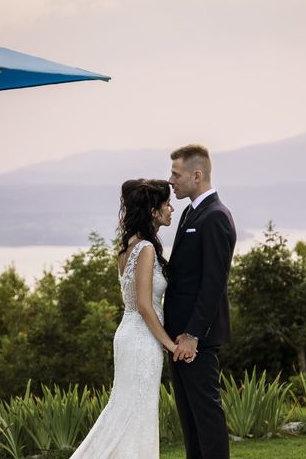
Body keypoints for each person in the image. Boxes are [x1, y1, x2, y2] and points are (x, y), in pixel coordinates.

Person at [70, 178, 181, 459]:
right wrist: (170, 344)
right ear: (153, 211)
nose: (171, 208)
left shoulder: (131, 245)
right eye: (166, 204)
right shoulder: (144, 249)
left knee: (127, 413)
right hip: (141, 340)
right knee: (135, 415)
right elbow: (145, 305)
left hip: (130, 335)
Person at [165, 145, 237, 459]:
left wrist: (193, 335)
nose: (171, 181)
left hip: (197, 340)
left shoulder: (216, 216)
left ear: (197, 175)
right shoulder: (190, 212)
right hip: (178, 337)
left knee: (206, 417)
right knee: (190, 421)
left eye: (176, 174)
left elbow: (213, 284)